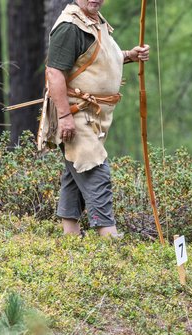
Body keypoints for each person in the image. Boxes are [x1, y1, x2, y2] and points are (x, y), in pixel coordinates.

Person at [43, 0, 150, 237]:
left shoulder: (95, 21)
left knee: (75, 172)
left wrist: (130, 55)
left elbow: (101, 59)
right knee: (94, 170)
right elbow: (54, 72)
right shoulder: (70, 26)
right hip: (74, 112)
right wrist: (64, 117)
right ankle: (109, 236)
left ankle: (70, 236)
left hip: (93, 117)